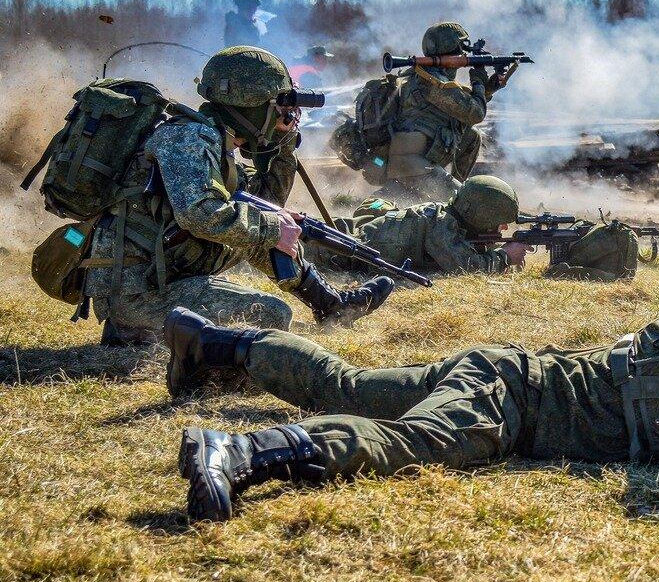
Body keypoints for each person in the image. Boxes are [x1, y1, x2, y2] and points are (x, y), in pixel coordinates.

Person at [166, 218, 659, 521]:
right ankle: (244, 449)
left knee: (349, 388)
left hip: (508, 372)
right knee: (418, 443)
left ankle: (214, 346)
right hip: (510, 400)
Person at [82, 45, 396, 346]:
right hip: (139, 292)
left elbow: (267, 199)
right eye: (276, 109)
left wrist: (285, 143)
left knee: (265, 226)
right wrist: (274, 228)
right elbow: (200, 214)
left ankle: (330, 304)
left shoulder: (216, 144)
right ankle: (132, 329)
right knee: (273, 313)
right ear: (252, 107)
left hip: (167, 272)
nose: (281, 116)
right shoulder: (187, 138)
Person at [369, 22, 493, 201]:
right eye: (460, 50)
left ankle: (444, 196)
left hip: (412, 161)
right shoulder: (433, 83)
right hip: (414, 166)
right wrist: (479, 83)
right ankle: (450, 202)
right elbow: (475, 114)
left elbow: (463, 112)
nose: (463, 56)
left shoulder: (419, 75)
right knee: (468, 205)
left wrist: (487, 91)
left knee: (471, 135)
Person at [312, 176, 530, 275]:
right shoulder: (440, 225)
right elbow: (465, 267)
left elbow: (467, 247)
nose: (503, 229)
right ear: (479, 215)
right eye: (499, 223)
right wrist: (505, 257)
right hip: (332, 249)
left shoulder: (451, 218)